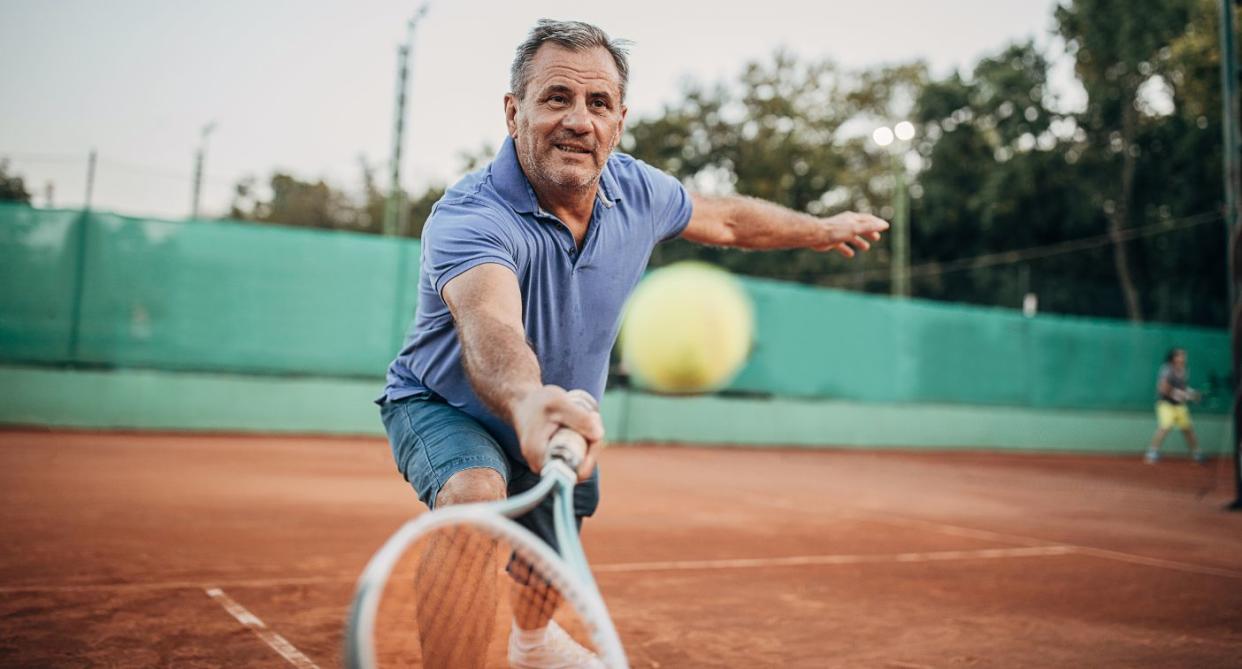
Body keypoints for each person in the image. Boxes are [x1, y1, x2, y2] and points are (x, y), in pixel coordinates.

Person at [377, 19, 889, 667]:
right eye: (556, 98)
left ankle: (532, 644)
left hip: (561, 406)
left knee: (548, 555)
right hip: (445, 402)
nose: (578, 120)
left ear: (620, 121)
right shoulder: (470, 215)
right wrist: (529, 401)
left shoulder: (639, 190)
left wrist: (819, 228)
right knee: (476, 497)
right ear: (514, 112)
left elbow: (727, 219)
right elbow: (491, 324)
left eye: (598, 104)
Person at [1144, 347, 1205, 464]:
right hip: (1165, 404)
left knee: (1188, 429)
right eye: (1180, 355)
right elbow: (1162, 387)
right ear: (1173, 358)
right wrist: (1178, 394)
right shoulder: (1167, 369)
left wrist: (1191, 394)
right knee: (1165, 427)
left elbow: (1183, 387)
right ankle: (1152, 452)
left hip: (1180, 406)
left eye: (1184, 355)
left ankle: (1197, 453)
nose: (1183, 358)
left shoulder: (1185, 370)